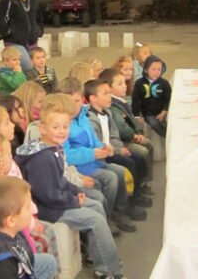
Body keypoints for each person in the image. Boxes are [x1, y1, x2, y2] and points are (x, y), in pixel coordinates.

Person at [15, 96, 128, 279]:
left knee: (97, 206)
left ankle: (99, 258)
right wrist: (74, 200)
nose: (62, 132)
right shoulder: (42, 157)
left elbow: (61, 181)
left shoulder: (54, 149)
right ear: (42, 129)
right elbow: (48, 196)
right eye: (56, 127)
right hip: (48, 209)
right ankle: (111, 271)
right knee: (96, 220)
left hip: (58, 201)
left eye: (65, 127)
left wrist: (77, 192)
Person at [59, 77, 145, 231]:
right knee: (110, 177)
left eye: (78, 100)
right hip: (80, 167)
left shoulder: (83, 117)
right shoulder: (63, 124)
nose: (74, 105)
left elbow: (94, 141)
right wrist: (93, 153)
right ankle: (107, 217)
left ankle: (119, 211)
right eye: (70, 101)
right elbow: (67, 155)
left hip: (94, 161)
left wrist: (104, 147)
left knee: (119, 172)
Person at [84, 79, 151, 210]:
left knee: (137, 157)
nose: (110, 97)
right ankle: (128, 202)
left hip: (113, 148)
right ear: (93, 98)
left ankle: (137, 191)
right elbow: (98, 144)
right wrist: (118, 151)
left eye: (109, 93)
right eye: (105, 94)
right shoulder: (90, 119)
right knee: (129, 163)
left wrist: (120, 148)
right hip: (103, 154)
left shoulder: (107, 113)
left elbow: (113, 135)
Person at [100, 68, 154, 196]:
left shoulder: (121, 100)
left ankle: (144, 181)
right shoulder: (112, 104)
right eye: (120, 84)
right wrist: (134, 136)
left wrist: (139, 132)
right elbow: (121, 128)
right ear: (109, 87)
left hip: (125, 138)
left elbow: (132, 121)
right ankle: (139, 185)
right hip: (122, 140)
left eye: (124, 82)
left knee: (148, 146)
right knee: (142, 151)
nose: (125, 86)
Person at [132, 55, 171, 138]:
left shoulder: (164, 84)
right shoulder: (139, 83)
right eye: (153, 69)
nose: (156, 72)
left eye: (159, 69)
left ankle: (171, 134)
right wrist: (136, 115)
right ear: (146, 69)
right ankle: (167, 137)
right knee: (153, 122)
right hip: (148, 114)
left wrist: (164, 111)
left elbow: (168, 99)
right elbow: (135, 100)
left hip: (163, 111)